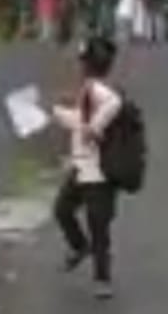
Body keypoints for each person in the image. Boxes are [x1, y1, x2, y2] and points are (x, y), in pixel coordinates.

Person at [51, 35, 124, 300]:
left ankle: (102, 278)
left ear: (88, 64)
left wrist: (72, 120)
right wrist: (63, 113)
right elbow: (83, 120)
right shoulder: (90, 90)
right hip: (82, 167)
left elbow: (93, 125)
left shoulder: (102, 94)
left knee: (98, 226)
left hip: (99, 172)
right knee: (62, 210)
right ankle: (81, 248)